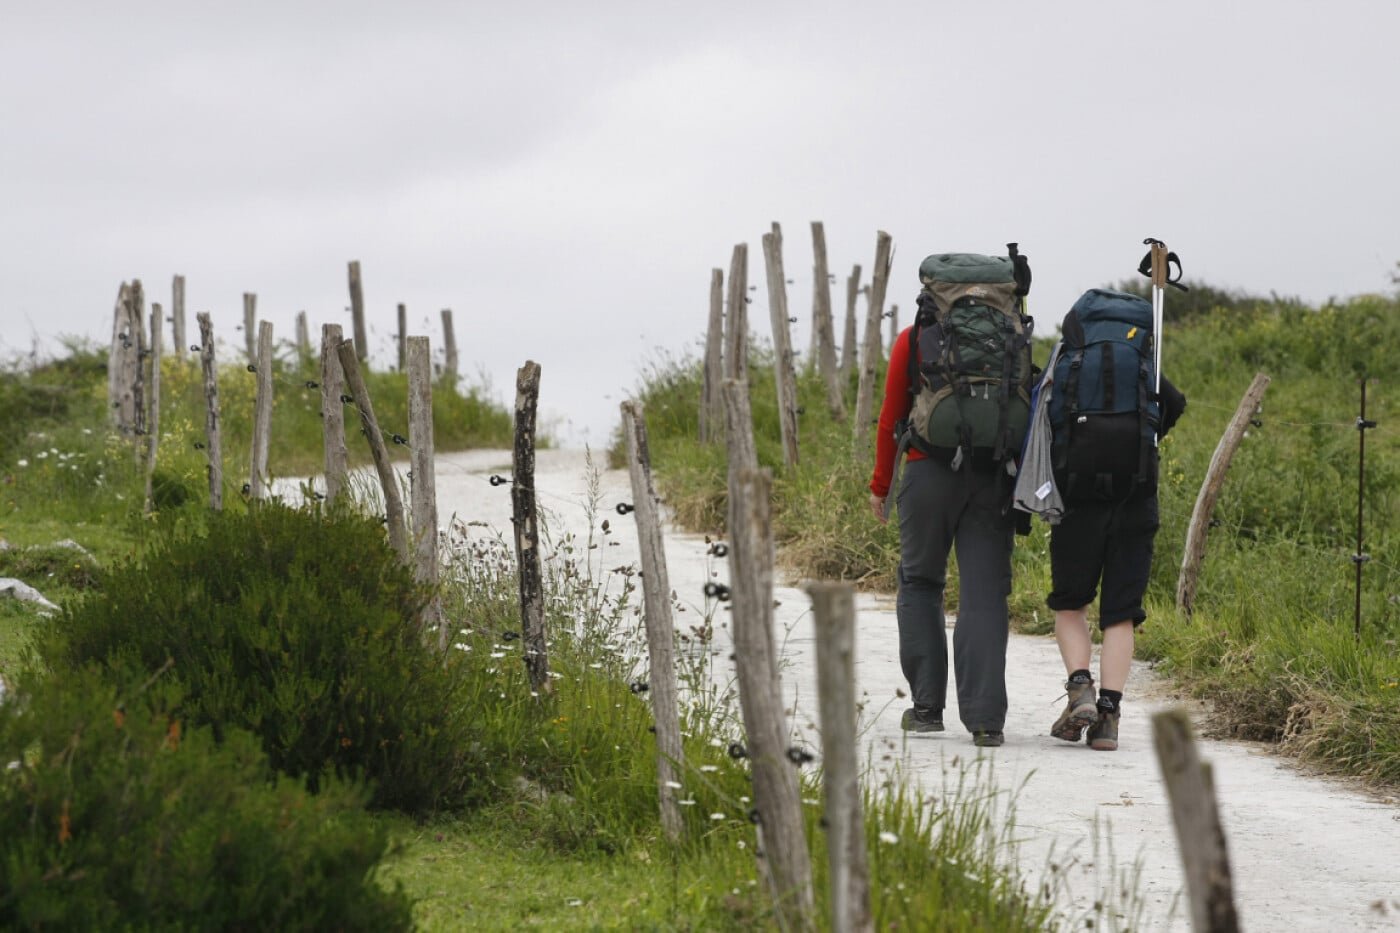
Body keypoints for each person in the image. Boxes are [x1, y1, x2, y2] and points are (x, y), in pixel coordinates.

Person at [868, 296, 1022, 750]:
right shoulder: (1011, 338)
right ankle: (986, 722)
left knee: (920, 582)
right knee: (985, 593)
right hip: (992, 476)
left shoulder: (915, 338)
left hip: (927, 472)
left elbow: (891, 417)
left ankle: (926, 710)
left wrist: (881, 485)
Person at [1047, 367, 1186, 752]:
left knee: (1070, 604)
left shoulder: (1070, 360)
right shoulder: (1143, 364)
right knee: (1121, 614)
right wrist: (1145, 439)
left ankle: (1080, 688)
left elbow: (1045, 416)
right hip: (1136, 496)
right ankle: (1108, 717)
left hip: (1078, 498)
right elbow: (1175, 403)